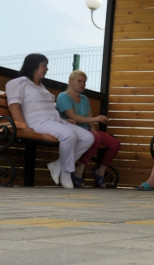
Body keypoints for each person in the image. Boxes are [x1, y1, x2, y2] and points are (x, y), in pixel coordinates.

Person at [5, 54, 94, 188]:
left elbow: (49, 108)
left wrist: (64, 120)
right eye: (44, 65)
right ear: (33, 66)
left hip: (54, 121)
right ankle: (66, 172)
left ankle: (58, 165)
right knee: (69, 135)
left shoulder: (41, 86)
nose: (46, 69)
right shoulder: (19, 82)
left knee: (88, 137)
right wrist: (23, 127)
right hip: (37, 122)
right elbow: (14, 106)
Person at [56, 70, 121, 188]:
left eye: (84, 82)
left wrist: (93, 128)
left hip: (87, 130)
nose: (82, 84)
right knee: (94, 138)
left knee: (115, 143)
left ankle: (100, 171)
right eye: (79, 81)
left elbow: (88, 115)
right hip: (72, 130)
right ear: (70, 81)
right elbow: (72, 117)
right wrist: (95, 120)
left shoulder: (85, 98)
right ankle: (79, 170)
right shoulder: (63, 96)